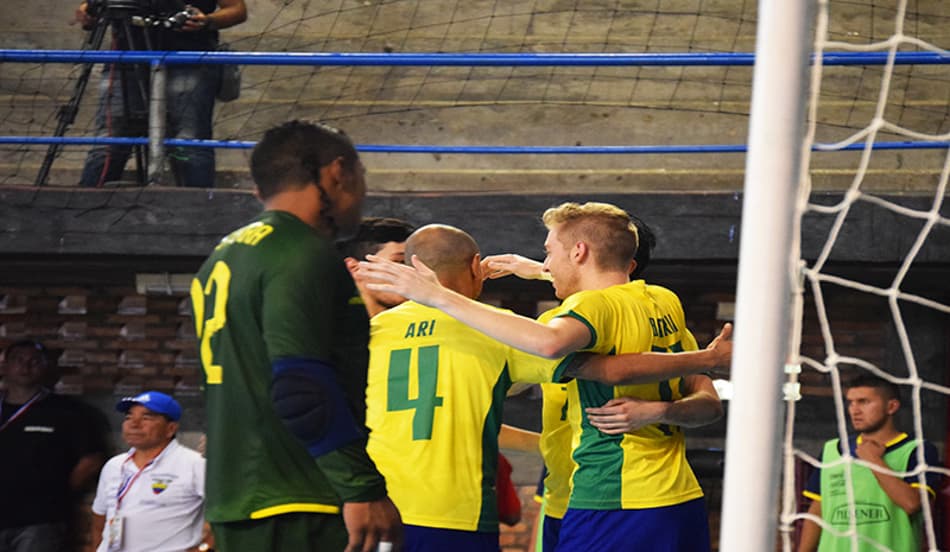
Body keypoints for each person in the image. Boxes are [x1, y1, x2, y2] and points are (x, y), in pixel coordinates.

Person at [360, 202, 726, 551]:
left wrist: (438, 296)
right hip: (644, 495)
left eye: (549, 253)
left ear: (579, 252)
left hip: (383, 504)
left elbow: (569, 346)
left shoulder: (376, 333)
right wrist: (699, 368)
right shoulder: (663, 301)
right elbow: (694, 397)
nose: (543, 263)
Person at [190, 120, 401, 552]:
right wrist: (361, 486)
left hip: (237, 500)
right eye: (361, 175)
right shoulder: (301, 253)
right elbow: (300, 386)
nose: (362, 192)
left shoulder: (225, 253)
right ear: (337, 172)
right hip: (299, 498)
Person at [75, 0, 248, 188]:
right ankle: (85, 205)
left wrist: (207, 21)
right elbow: (91, 11)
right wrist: (88, 12)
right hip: (126, 60)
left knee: (189, 147)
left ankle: (198, 210)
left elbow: (237, 10)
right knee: (108, 146)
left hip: (189, 60)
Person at [799, 375, 942, 552]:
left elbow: (912, 504)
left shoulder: (917, 450)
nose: (854, 410)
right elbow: (816, 512)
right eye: (851, 403)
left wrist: (874, 460)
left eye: (864, 402)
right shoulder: (832, 450)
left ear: (891, 406)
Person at [0, 339, 107, 552]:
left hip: (41, 520)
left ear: (45, 367)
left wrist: (57, 491)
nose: (25, 366)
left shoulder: (67, 411)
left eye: (34, 361)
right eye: (18, 360)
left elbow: (91, 459)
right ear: (5, 366)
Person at [90, 391, 209, 552]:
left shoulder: (195, 464)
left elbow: (225, 512)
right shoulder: (114, 465)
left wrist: (204, 548)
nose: (134, 424)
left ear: (170, 428)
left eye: (146, 418)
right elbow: (99, 520)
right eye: (128, 417)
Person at [338, 217, 417, 318]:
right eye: (400, 261)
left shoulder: (434, 321)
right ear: (354, 268)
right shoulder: (327, 327)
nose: (412, 271)